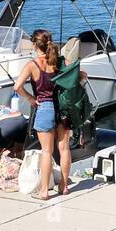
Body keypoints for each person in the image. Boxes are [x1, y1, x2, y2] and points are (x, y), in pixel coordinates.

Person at [13, 30, 73, 200]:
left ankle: (45, 191)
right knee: (64, 148)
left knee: (46, 151)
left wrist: (31, 98)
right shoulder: (60, 61)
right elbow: (78, 73)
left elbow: (17, 86)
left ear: (34, 45)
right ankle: (64, 186)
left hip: (45, 107)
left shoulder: (33, 65)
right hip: (63, 108)